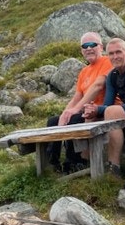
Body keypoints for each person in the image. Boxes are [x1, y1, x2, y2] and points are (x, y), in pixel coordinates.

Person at [45, 31, 113, 173]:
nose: (88, 48)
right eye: (84, 46)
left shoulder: (107, 62)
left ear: (101, 47)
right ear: (81, 51)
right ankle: (52, 163)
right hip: (85, 109)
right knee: (54, 121)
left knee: (74, 119)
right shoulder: (84, 71)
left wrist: (75, 110)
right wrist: (66, 112)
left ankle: (75, 162)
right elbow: (77, 96)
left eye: (92, 44)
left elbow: (98, 86)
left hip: (102, 110)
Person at [82, 37, 125, 177]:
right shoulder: (112, 75)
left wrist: (100, 109)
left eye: (119, 52)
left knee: (111, 111)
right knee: (90, 117)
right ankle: (86, 162)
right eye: (111, 54)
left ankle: (114, 167)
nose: (115, 56)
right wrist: (93, 110)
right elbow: (107, 103)